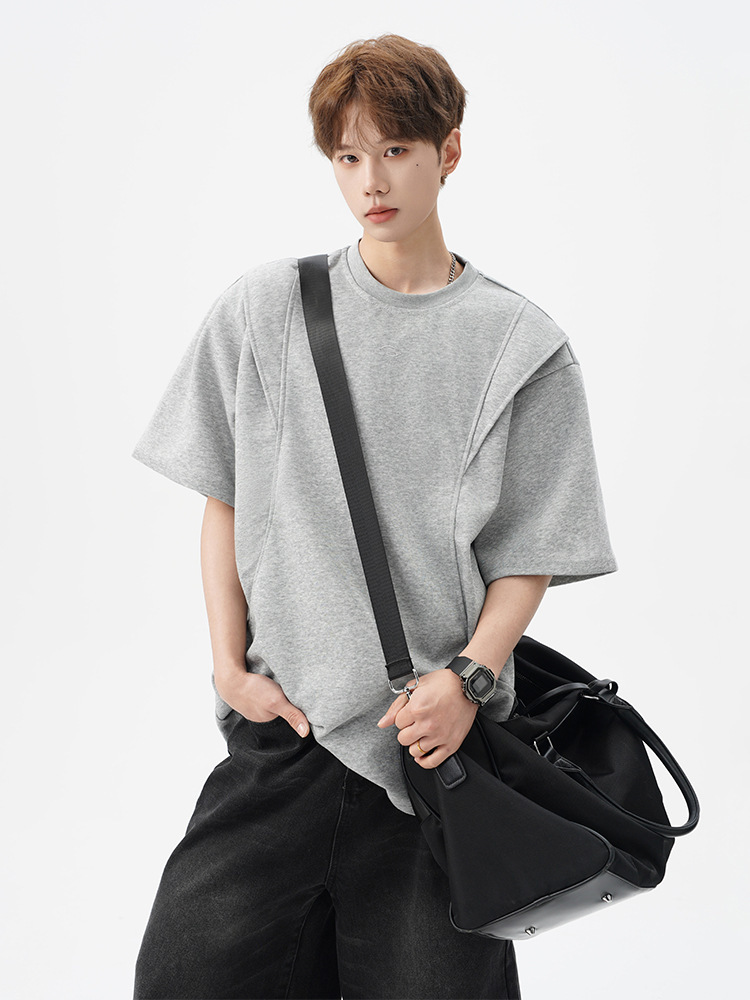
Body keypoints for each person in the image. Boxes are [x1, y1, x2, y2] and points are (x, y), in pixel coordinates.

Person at [130, 32, 617, 1000]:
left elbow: (529, 551)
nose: (371, 181)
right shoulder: (264, 309)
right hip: (283, 739)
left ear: (450, 149)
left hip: (431, 756)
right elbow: (225, 499)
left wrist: (468, 678)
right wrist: (229, 670)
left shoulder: (520, 345)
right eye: (348, 156)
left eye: (395, 149)